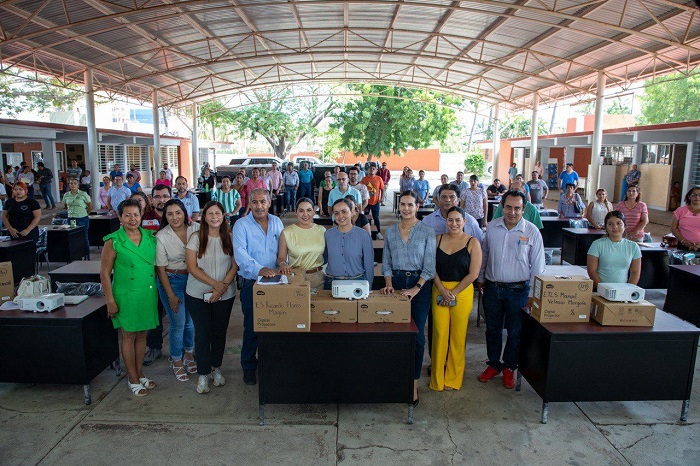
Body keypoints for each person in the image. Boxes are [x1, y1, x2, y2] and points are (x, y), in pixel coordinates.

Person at [477, 190, 545, 389]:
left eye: (517, 208)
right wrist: (480, 279)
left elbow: (538, 267)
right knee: (493, 330)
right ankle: (493, 364)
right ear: (502, 206)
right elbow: (484, 255)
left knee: (515, 332)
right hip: (492, 288)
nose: (512, 212)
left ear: (524, 209)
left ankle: (509, 367)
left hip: (519, 291)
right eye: (508, 207)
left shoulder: (531, 232)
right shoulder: (492, 229)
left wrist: (533, 294)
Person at [381, 191, 436, 405]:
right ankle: (395, 376)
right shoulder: (391, 232)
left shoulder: (427, 231)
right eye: (402, 204)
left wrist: (416, 289)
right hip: (395, 284)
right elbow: (386, 263)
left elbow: (430, 267)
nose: (406, 208)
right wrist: (388, 284)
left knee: (417, 335)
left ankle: (413, 383)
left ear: (417, 205)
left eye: (410, 205)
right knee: (393, 332)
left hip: (420, 286)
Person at [100, 199, 159, 397]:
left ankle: (140, 372)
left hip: (146, 292)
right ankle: (132, 377)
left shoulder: (150, 237)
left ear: (141, 215)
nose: (132, 219)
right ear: (120, 217)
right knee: (128, 335)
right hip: (125, 295)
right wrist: (110, 300)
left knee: (143, 334)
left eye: (136, 214)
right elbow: (105, 273)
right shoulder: (114, 240)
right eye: (127, 215)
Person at [185, 201, 238, 394]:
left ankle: (217, 368)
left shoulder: (230, 237)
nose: (214, 217)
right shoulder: (195, 238)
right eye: (210, 214)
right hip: (198, 294)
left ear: (223, 216)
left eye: (218, 213)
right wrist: (215, 285)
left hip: (225, 295)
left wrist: (222, 287)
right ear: (203, 217)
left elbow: (235, 266)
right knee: (202, 333)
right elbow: (192, 267)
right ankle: (202, 374)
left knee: (219, 333)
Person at [233, 188, 284, 386]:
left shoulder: (277, 222)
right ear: (249, 203)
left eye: (263, 201)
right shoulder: (241, 225)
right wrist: (260, 269)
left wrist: (282, 264)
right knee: (252, 327)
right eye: (254, 202)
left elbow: (283, 250)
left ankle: (269, 363)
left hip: (276, 283)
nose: (259, 206)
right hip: (251, 283)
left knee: (274, 325)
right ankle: (248, 366)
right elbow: (240, 254)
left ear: (269, 202)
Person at [430, 206, 481, 392]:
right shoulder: (437, 240)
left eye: (458, 220)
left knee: (458, 337)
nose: (454, 224)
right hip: (439, 289)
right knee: (440, 334)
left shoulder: (473, 243)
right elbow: (430, 267)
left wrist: (454, 292)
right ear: (446, 221)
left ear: (464, 222)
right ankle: (437, 379)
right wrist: (442, 289)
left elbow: (474, 273)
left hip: (462, 291)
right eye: (450, 220)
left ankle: (453, 379)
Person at [154, 199, 200, 382]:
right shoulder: (162, 236)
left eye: (178, 212)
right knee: (178, 323)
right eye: (170, 214)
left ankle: (189, 354)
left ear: (184, 212)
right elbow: (160, 269)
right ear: (165, 216)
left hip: (193, 280)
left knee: (190, 322)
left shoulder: (195, 228)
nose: (175, 217)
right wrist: (170, 295)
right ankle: (176, 359)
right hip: (171, 280)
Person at [277, 197, 326, 290]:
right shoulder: (287, 232)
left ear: (314, 212)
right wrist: (282, 264)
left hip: (318, 278)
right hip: (296, 277)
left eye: (309, 210)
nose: (305, 214)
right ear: (296, 212)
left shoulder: (321, 230)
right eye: (301, 211)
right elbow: (280, 258)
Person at [324, 198, 374, 290]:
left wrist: (368, 288)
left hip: (357, 282)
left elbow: (369, 264)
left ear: (352, 212)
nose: (340, 216)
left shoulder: (363, 235)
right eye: (336, 213)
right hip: (332, 283)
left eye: (344, 212)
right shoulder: (328, 234)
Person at [587, 211, 642, 288]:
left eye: (619, 223)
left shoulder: (633, 246)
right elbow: (592, 271)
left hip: (623, 291)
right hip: (600, 290)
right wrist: (603, 288)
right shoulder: (597, 244)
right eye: (610, 224)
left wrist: (628, 289)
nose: (615, 227)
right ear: (605, 227)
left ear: (625, 225)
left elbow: (635, 272)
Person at [62, 179, 92, 259]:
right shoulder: (66, 195)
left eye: (75, 183)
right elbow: (65, 205)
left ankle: (86, 253)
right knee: (72, 237)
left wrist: (85, 213)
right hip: (71, 218)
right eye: (71, 183)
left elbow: (90, 206)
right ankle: (75, 255)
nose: (73, 185)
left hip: (82, 218)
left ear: (78, 185)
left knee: (84, 236)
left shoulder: (83, 194)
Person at [671, 186, 700, 251]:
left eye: (699, 195)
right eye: (694, 195)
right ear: (689, 197)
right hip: (683, 245)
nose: (697, 197)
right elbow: (673, 228)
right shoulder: (680, 210)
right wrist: (683, 241)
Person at [361, 164, 386, 240]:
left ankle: (378, 232)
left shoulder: (379, 179)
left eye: (373, 168)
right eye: (370, 168)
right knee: (365, 218)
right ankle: (365, 232)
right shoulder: (364, 179)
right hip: (366, 203)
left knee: (376, 217)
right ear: (368, 170)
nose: (372, 170)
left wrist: (382, 198)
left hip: (376, 202)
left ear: (376, 170)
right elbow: (361, 190)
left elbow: (382, 189)